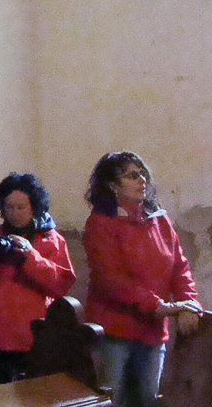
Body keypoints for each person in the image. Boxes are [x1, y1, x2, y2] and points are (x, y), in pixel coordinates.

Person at [83, 151, 202, 407]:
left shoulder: (158, 218)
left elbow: (179, 266)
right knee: (113, 400)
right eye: (132, 175)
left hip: (153, 331)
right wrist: (160, 306)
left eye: (142, 174)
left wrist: (188, 303)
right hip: (114, 332)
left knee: (147, 401)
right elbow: (112, 279)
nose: (142, 180)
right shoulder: (100, 223)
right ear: (112, 185)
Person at [0, 172, 76, 386]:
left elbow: (60, 284)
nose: (14, 213)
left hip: (32, 340)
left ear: (34, 206)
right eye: (9, 207)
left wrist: (30, 256)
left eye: (21, 207)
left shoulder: (51, 240)